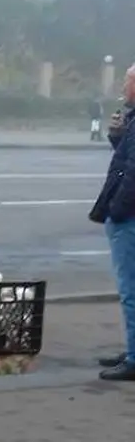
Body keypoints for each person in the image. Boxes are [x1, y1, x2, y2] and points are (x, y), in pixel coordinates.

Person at [92, 63, 135, 380]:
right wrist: (117, 136)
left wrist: (116, 210)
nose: (122, 87)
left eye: (127, 81)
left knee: (130, 289)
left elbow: (131, 174)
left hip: (129, 217)